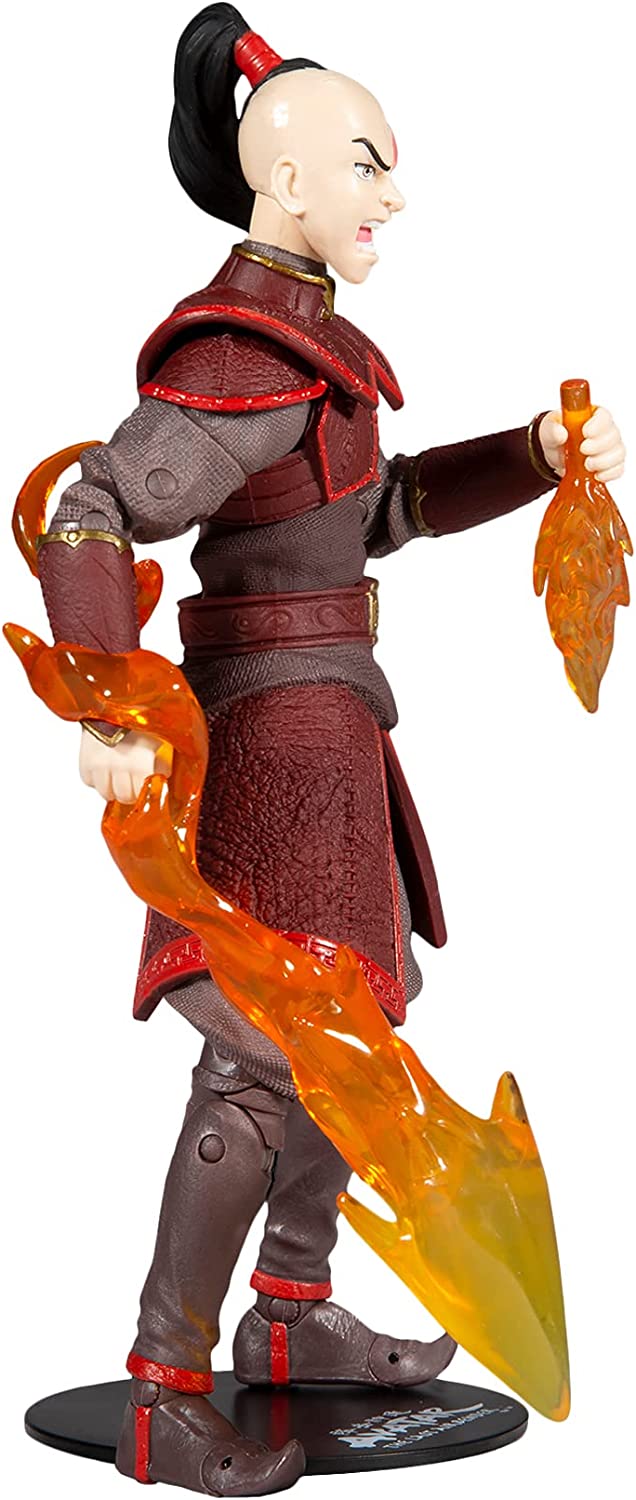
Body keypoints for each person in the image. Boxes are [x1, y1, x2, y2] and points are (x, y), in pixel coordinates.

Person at [34, 6, 626, 1494]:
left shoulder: (313, 353)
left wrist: (534, 458)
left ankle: (289, 1317)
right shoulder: (239, 355)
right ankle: (166, 1386)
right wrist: (107, 704)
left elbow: (386, 512)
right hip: (266, 741)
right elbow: (91, 508)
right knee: (260, 1061)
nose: (394, 196)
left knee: (351, 1041)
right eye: (368, 165)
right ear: (283, 180)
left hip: (331, 728)